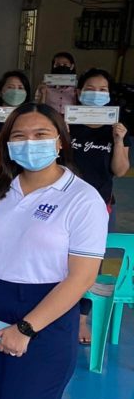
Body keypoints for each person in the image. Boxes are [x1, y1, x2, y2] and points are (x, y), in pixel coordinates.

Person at [0, 103, 106, 399]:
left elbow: (81, 277)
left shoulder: (83, 199)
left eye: (40, 134)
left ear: (59, 141)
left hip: (47, 315)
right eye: (19, 136)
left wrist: (27, 328)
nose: (30, 143)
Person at [68, 69, 130, 343]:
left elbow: (119, 170)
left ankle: (82, 319)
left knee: (91, 263)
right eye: (90, 88)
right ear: (79, 92)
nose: (97, 93)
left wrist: (118, 141)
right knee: (58, 258)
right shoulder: (67, 124)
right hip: (64, 203)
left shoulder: (117, 127)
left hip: (99, 205)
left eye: (103, 89)